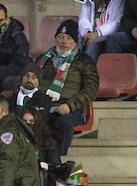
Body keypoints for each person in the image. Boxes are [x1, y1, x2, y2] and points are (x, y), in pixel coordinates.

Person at [33, 20, 99, 156]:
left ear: (75, 41)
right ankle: (37, 161)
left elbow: (91, 89)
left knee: (64, 122)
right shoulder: (43, 59)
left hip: (71, 108)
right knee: (31, 119)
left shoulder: (84, 61)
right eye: (61, 37)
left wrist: (69, 105)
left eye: (68, 38)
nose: (64, 42)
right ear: (56, 38)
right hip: (45, 105)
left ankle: (59, 161)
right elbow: (30, 79)